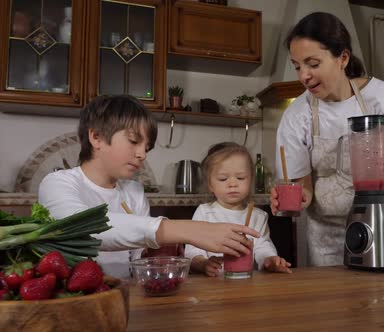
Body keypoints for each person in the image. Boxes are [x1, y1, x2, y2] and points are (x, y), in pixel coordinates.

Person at [38, 95, 259, 278]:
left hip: (124, 295)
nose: (142, 154)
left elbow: (136, 261)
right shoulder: (58, 183)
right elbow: (80, 227)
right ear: (96, 137)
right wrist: (191, 230)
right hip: (76, 301)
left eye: (147, 147)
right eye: (134, 141)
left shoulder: (133, 192)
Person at [270, 12, 384, 266]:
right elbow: (304, 190)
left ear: (343, 58)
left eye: (312, 64)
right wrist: (294, 198)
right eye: (297, 66)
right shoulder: (296, 116)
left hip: (378, 225)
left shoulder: (378, 95)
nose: (303, 75)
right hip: (324, 239)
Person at [185, 142, 292, 277]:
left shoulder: (258, 216)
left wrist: (269, 260)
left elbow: (262, 247)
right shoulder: (204, 212)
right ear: (210, 184)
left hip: (247, 285)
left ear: (251, 179)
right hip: (213, 287)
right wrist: (202, 264)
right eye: (223, 179)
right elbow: (192, 251)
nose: (233, 184)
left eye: (240, 178)